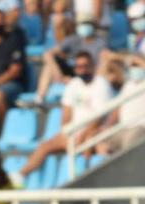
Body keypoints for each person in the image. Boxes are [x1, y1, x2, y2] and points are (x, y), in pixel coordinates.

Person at [14, 52, 114, 180]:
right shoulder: (74, 84)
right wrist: (68, 133)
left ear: (93, 66)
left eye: (85, 66)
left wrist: (81, 137)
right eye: (78, 67)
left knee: (91, 143)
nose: (82, 69)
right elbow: (66, 114)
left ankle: (84, 179)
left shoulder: (101, 84)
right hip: (74, 131)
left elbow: (98, 119)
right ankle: (20, 175)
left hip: (96, 131)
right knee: (44, 147)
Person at [33, 13, 107, 103]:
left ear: (93, 26)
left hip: (89, 73)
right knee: (48, 66)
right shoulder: (72, 39)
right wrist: (58, 74)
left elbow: (103, 62)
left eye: (87, 23)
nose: (84, 26)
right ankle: (39, 98)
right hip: (72, 72)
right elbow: (48, 54)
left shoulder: (101, 43)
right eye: (81, 23)